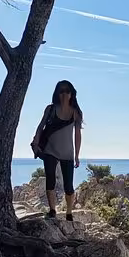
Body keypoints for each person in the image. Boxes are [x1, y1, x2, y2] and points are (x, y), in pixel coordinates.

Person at [31, 80, 83, 220]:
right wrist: (36, 141)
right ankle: (52, 210)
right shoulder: (50, 109)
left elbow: (78, 135)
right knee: (50, 181)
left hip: (67, 153)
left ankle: (69, 212)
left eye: (67, 91)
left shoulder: (75, 113)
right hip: (50, 150)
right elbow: (41, 126)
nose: (64, 94)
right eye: (61, 91)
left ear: (72, 94)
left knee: (69, 186)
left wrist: (77, 156)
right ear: (57, 94)